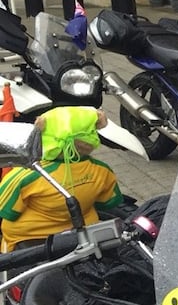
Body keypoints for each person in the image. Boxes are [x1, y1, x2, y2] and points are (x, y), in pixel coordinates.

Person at [0, 107, 123, 253]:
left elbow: (7, 211)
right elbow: (107, 202)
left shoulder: (26, 175)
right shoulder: (102, 170)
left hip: (30, 240)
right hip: (81, 235)